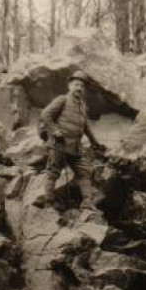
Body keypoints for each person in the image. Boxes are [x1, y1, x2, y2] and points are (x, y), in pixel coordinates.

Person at [38, 71, 106, 208]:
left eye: (82, 86)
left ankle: (87, 202)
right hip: (59, 144)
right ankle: (48, 201)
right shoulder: (62, 99)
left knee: (84, 172)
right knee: (53, 172)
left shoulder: (82, 106)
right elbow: (45, 114)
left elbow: (86, 126)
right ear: (70, 86)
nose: (79, 88)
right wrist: (55, 131)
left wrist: (95, 143)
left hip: (75, 146)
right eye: (76, 85)